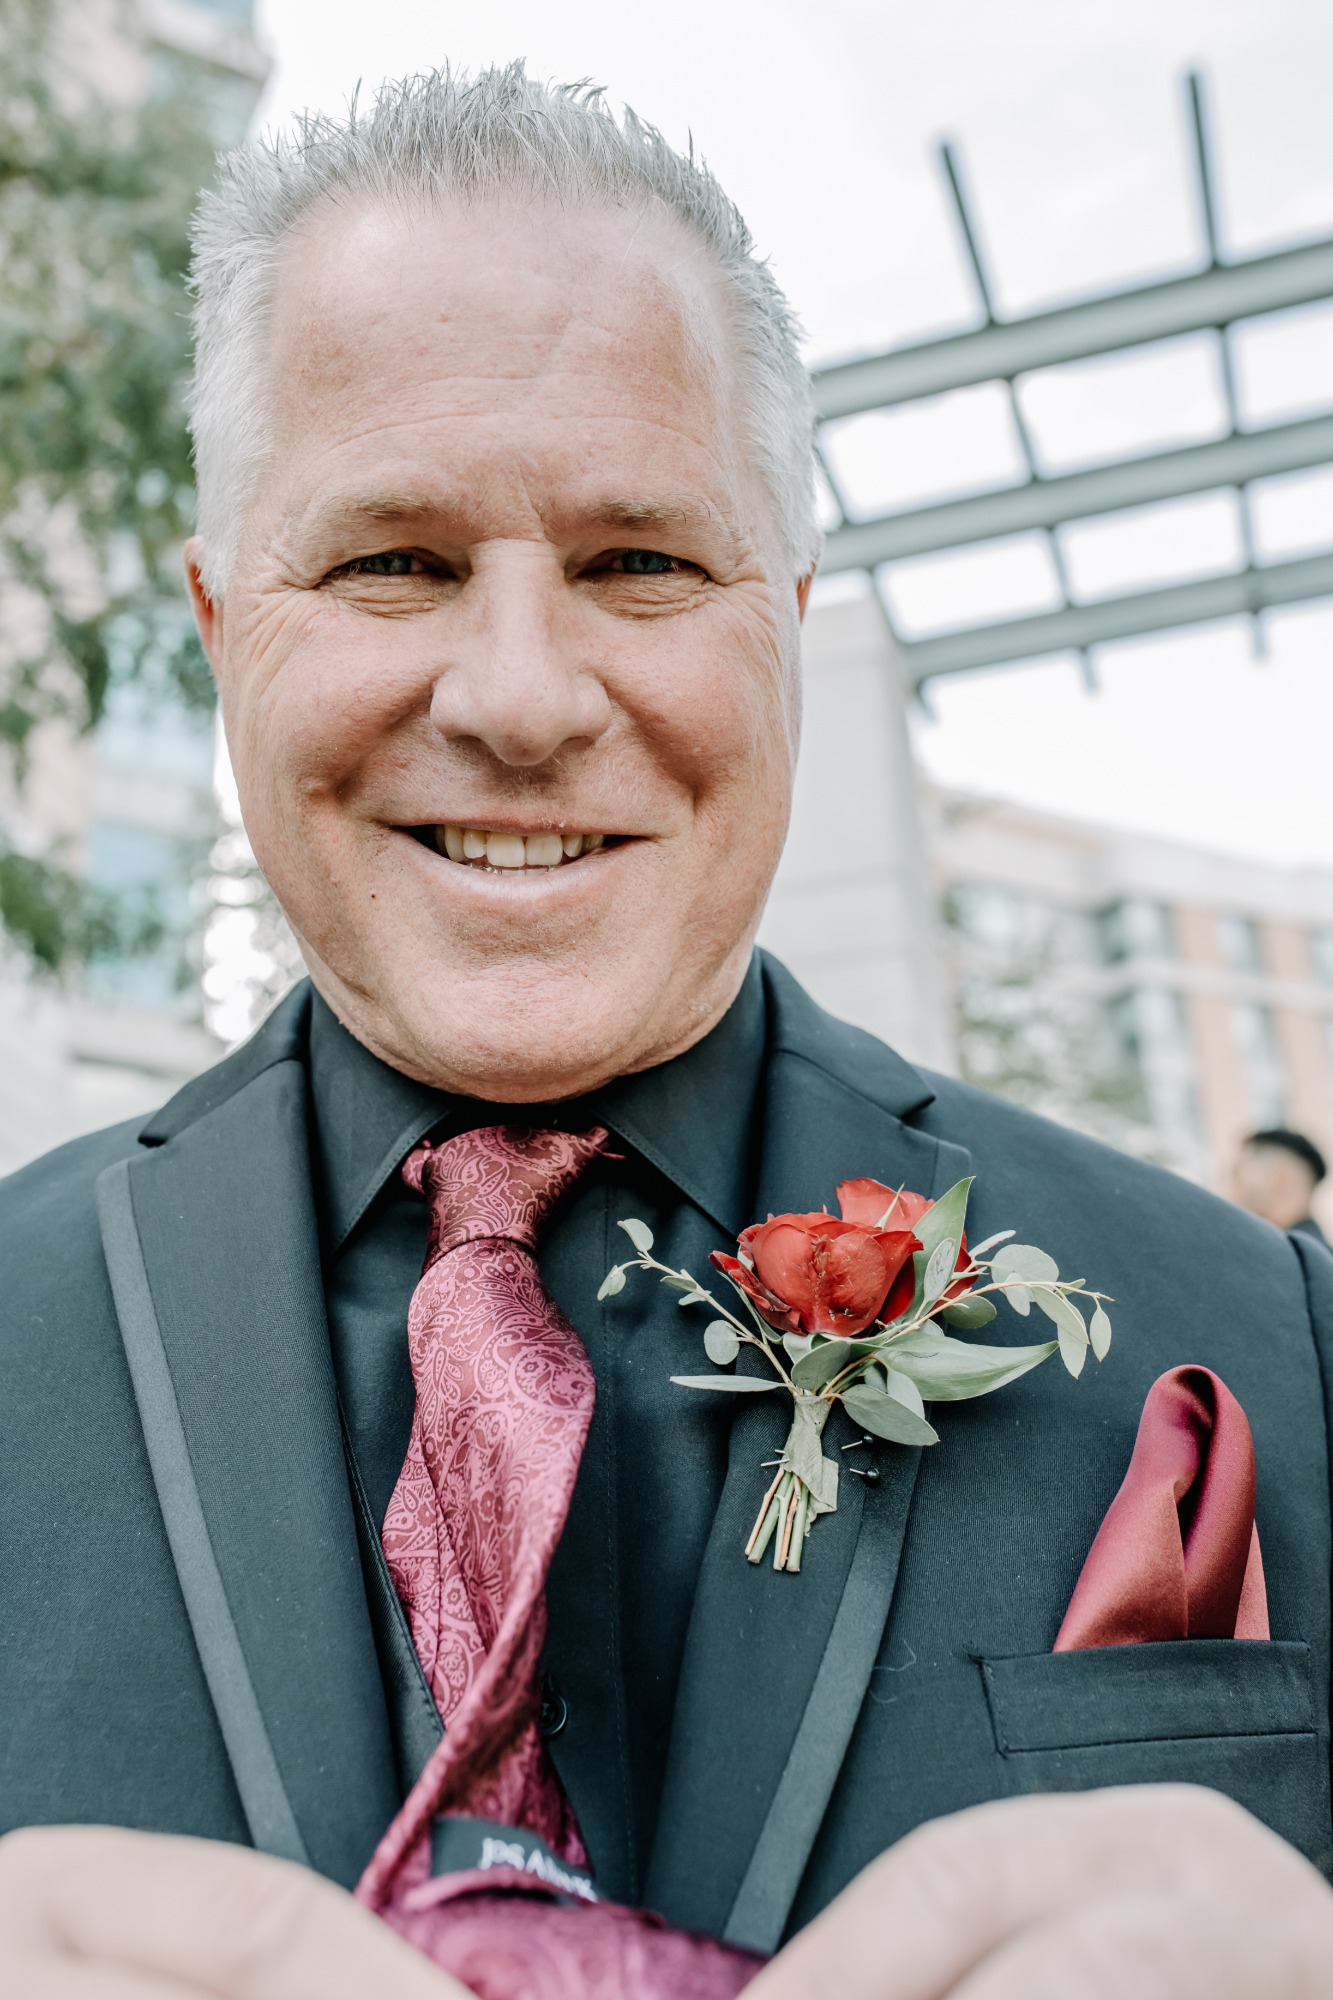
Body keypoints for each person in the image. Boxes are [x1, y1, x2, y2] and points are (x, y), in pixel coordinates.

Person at [4, 64, 1333, 1999]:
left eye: (641, 563)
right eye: (394, 560)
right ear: (224, 627)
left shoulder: (1264, 1333)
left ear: (784, 619)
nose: (525, 699)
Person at [1234, 1127, 1330, 1249]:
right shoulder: (1317, 1257)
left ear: (1279, 1179)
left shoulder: (1282, 1258)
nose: (1228, 1188)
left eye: (1236, 1174)